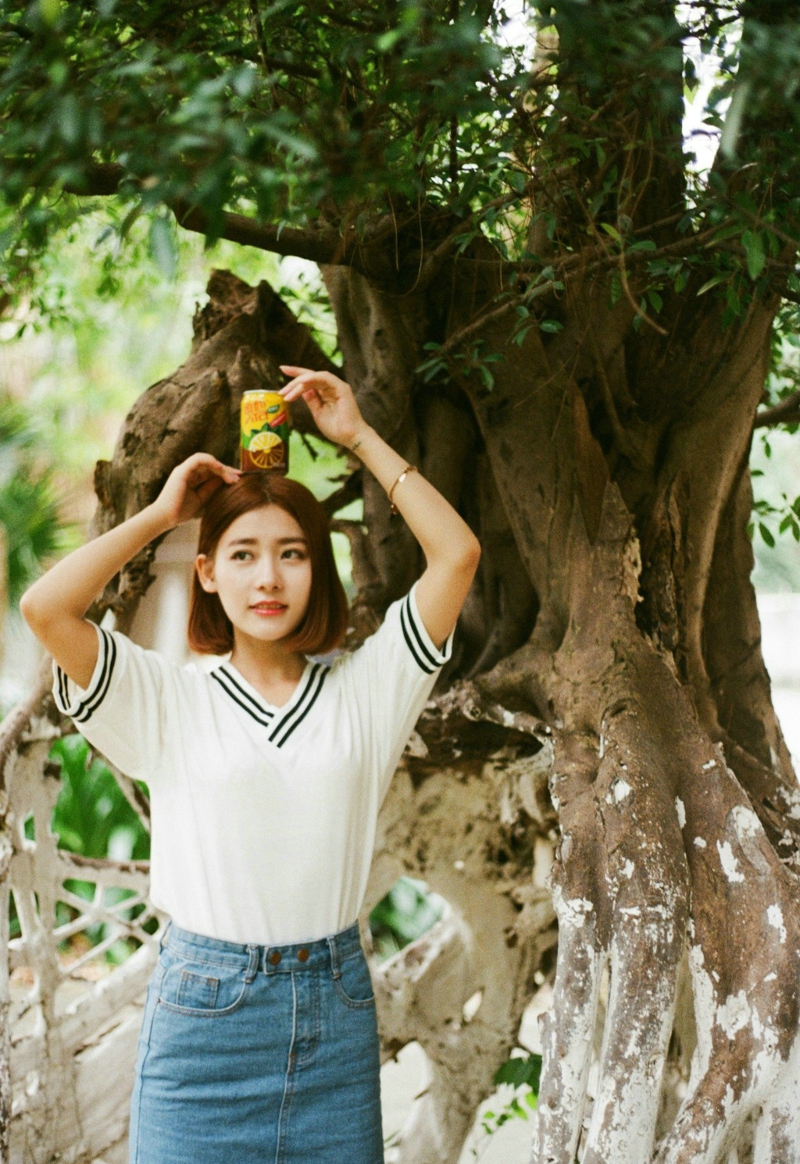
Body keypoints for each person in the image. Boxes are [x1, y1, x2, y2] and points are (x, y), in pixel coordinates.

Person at [19, 365, 481, 1164]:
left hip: (334, 1016)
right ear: (206, 572)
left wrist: (359, 437)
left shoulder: (366, 692)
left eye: (292, 554)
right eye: (242, 555)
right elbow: (46, 609)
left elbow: (456, 555)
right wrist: (161, 515)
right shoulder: (168, 700)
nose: (268, 577)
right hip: (203, 1025)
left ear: (317, 572)